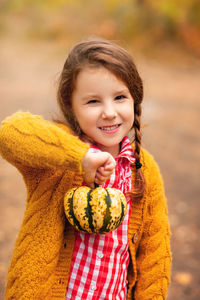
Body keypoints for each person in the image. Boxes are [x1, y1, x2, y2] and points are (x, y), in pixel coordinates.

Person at [0, 37, 172, 300]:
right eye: (93, 101)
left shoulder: (144, 170)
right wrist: (79, 156)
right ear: (71, 105)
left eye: (119, 97)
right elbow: (9, 133)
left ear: (134, 99)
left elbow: (154, 256)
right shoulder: (56, 158)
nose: (109, 112)